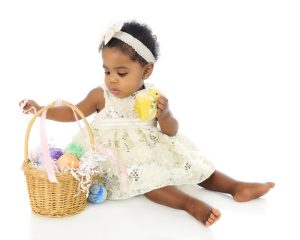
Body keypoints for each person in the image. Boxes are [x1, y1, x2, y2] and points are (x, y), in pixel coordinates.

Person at [20, 21, 275, 227]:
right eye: (107, 71)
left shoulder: (152, 96)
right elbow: (74, 113)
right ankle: (189, 204)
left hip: (151, 148)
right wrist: (43, 110)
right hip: (118, 158)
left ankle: (234, 186)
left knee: (193, 165)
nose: (112, 80)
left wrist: (165, 116)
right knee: (150, 183)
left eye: (121, 73)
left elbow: (171, 132)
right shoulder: (101, 95)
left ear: (146, 71)